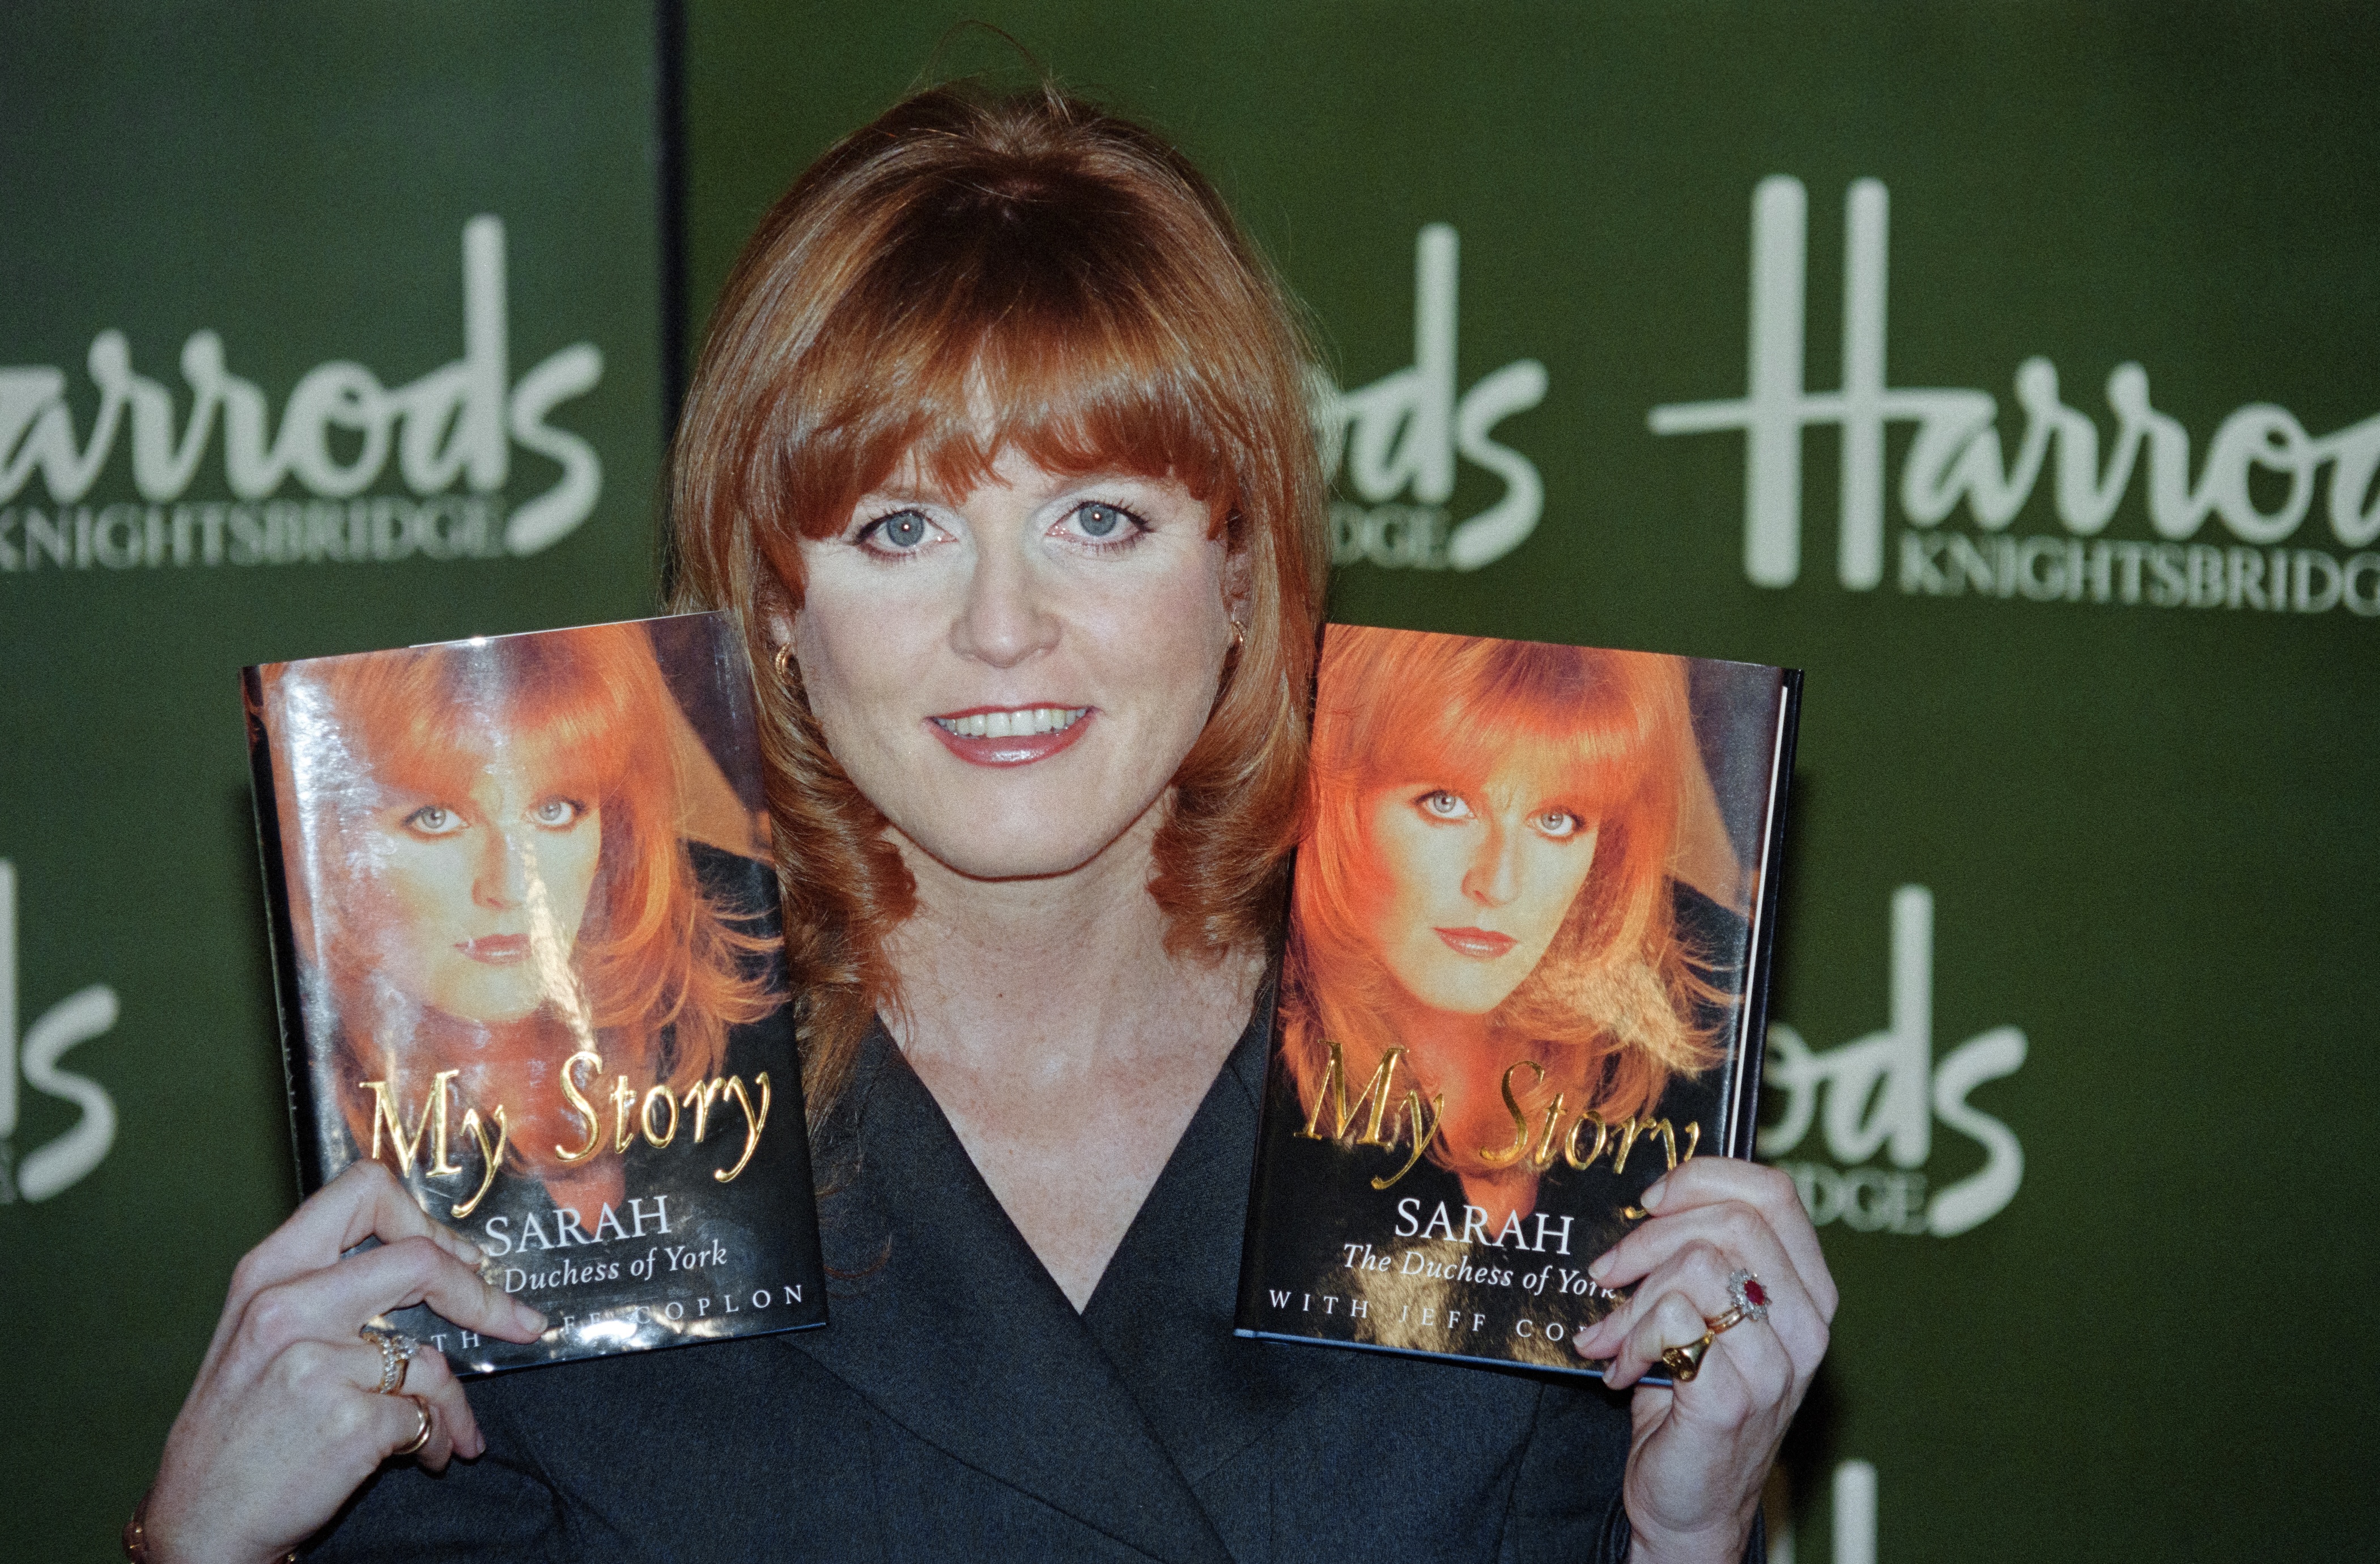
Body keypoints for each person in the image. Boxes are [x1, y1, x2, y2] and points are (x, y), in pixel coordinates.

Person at [142, 83, 1833, 1563]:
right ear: (777, 605)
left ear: (1238, 573)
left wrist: (1683, 1530)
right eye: (897, 530)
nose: (1005, 630)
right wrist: (206, 1542)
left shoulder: (1511, 1118)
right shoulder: (561, 1132)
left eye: (1099, 517)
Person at [254, 625, 781, 1226]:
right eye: (435, 818)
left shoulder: (759, 957)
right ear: (324, 847)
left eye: (556, 810)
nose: (511, 889)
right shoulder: (266, 1122)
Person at [1282, 627, 1724, 1231]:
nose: (1500, 885)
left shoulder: (1705, 1007)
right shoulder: (1234, 1063)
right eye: (1445, 803)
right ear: (1329, 797)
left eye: (1557, 819)